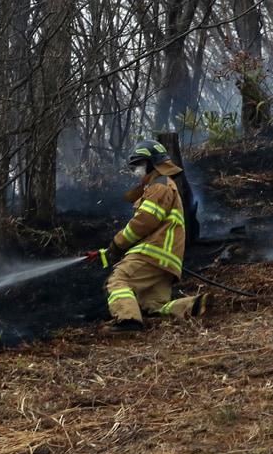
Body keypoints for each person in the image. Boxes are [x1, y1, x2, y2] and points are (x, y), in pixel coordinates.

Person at [87, 140, 205, 331]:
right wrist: (107, 252)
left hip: (151, 254)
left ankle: (128, 320)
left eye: (138, 164)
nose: (136, 170)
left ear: (152, 163)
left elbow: (142, 223)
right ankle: (192, 306)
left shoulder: (159, 187)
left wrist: (117, 244)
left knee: (117, 281)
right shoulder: (163, 186)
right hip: (166, 258)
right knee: (153, 305)